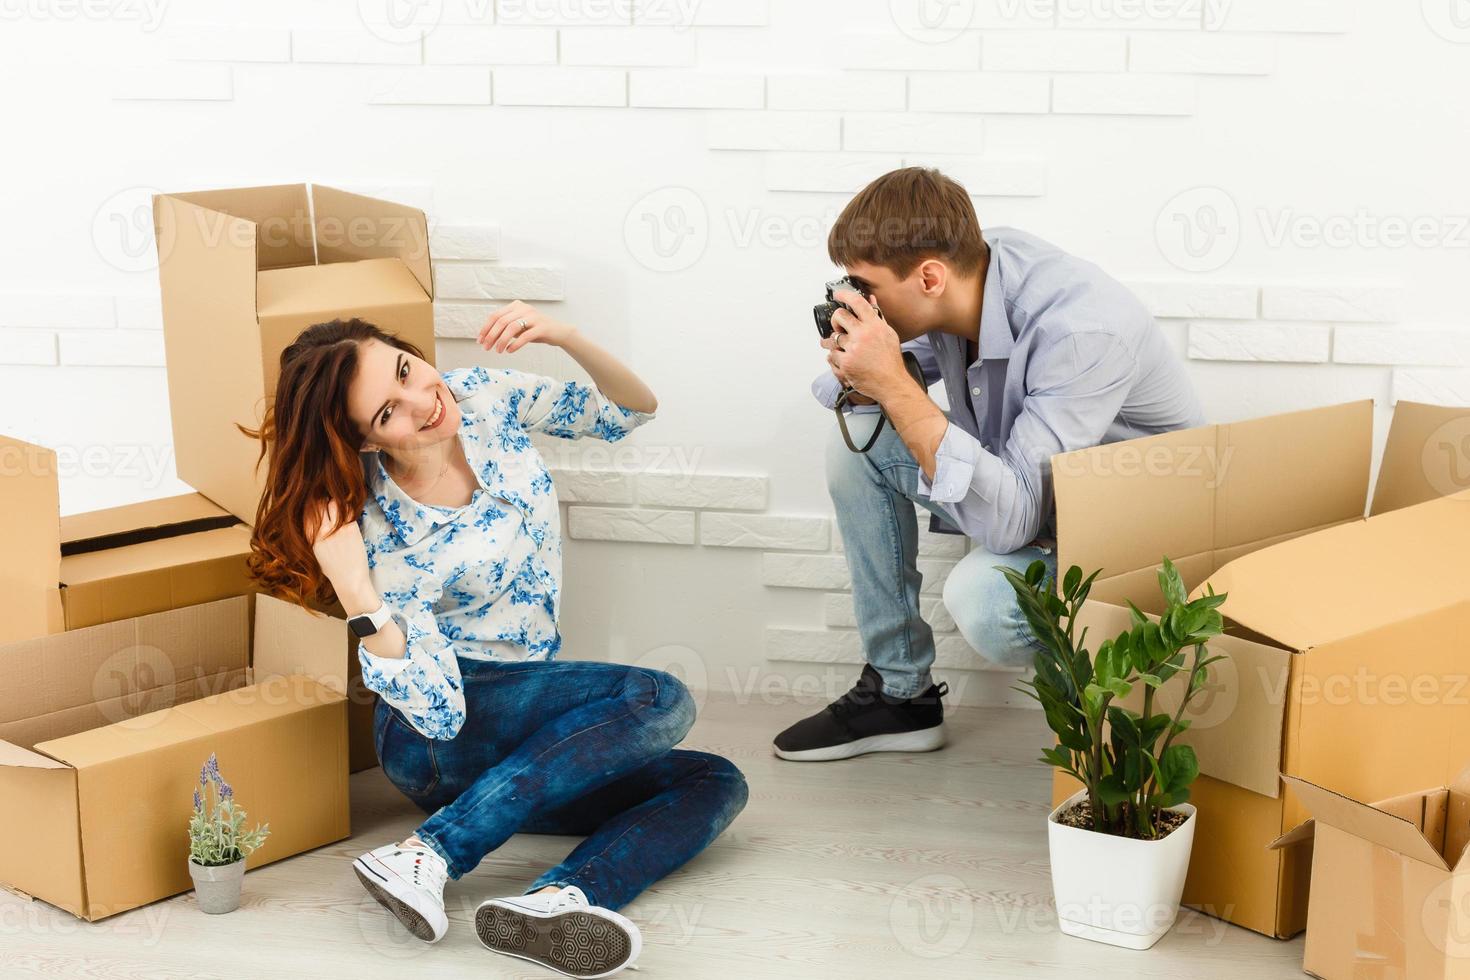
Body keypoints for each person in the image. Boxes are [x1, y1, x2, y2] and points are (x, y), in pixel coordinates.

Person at [244, 309, 748, 978]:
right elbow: (438, 713)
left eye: (406, 370)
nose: (423, 402)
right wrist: (355, 589)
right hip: (435, 736)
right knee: (656, 696)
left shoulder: (483, 396)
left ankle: (562, 899)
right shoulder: (376, 522)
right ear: (365, 442)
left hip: (526, 734)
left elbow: (631, 411)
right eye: (388, 413)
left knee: (714, 779)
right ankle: (432, 852)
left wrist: (563, 335)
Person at [773, 167, 1206, 763]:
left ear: (929, 276)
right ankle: (902, 698)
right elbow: (885, 385)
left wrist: (893, 381)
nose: (856, 299)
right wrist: (862, 369)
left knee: (983, 597)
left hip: (1135, 537)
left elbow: (1010, 526)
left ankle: (1103, 731)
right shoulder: (969, 271)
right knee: (861, 442)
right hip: (1040, 498)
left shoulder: (1082, 331)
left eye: (865, 287)